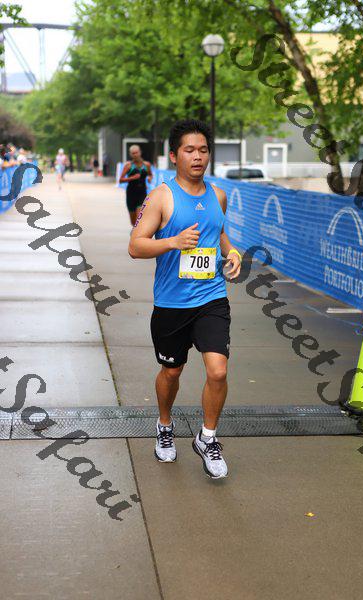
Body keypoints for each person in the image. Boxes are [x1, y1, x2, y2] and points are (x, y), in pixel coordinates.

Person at [128, 119, 242, 479]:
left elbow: (218, 231)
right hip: (172, 303)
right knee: (172, 371)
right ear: (175, 156)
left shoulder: (218, 195)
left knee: (218, 370)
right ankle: (164, 425)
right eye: (189, 150)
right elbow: (135, 246)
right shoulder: (162, 196)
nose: (198, 156)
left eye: (203, 150)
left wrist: (231, 251)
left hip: (211, 297)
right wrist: (172, 242)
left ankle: (207, 438)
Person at [119, 145, 153, 226]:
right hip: (131, 194)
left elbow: (150, 174)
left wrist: (149, 178)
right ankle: (135, 230)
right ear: (130, 154)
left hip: (142, 193)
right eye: (133, 153)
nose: (135, 155)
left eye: (136, 152)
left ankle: (137, 232)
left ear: (140, 152)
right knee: (133, 221)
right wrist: (132, 178)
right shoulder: (128, 165)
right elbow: (120, 180)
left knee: (139, 218)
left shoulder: (147, 165)